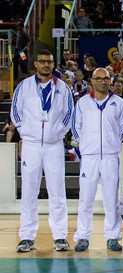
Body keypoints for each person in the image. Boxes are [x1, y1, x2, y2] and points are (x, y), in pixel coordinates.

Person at [11, 49, 74, 252]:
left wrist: (58, 132)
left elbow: (69, 114)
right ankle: (27, 237)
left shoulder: (62, 88)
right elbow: (15, 111)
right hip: (31, 144)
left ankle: (60, 236)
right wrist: (24, 131)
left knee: (57, 190)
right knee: (29, 191)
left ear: (53, 64)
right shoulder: (24, 86)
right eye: (43, 61)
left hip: (53, 145)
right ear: (35, 64)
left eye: (50, 61)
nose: (47, 65)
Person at [71, 68, 123, 252]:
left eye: (106, 78)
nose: (103, 81)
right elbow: (75, 127)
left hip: (111, 157)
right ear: (92, 80)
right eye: (99, 78)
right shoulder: (82, 103)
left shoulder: (118, 102)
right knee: (85, 199)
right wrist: (86, 145)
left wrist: (112, 141)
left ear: (110, 80)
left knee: (111, 199)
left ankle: (112, 237)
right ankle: (82, 236)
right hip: (89, 157)